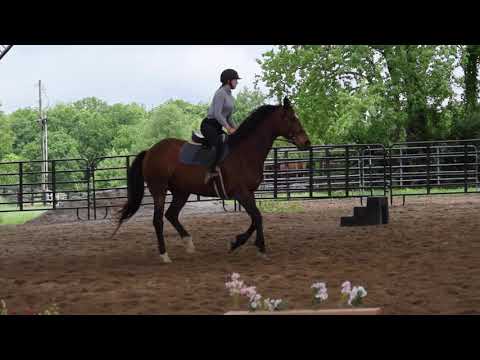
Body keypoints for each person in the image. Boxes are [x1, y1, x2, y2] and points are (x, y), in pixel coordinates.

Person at [200, 69, 240, 183]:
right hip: (208, 125)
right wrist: (228, 128)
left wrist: (236, 129)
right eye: (235, 80)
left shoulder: (230, 95)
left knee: (229, 142)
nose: (237, 82)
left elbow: (229, 117)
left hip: (218, 126)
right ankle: (210, 170)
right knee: (219, 143)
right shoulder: (220, 93)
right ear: (228, 81)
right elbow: (217, 114)